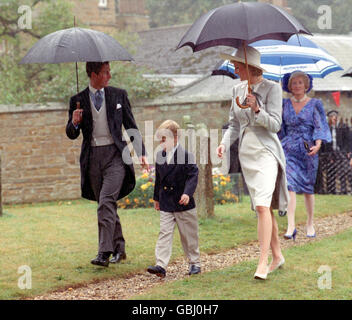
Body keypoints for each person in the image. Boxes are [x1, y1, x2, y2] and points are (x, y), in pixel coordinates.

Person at [66, 61, 149, 267]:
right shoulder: (77, 101)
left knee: (105, 202)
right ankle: (119, 248)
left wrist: (142, 154)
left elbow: (131, 125)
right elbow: (71, 134)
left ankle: (104, 252)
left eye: (109, 72)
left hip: (115, 156)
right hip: (92, 158)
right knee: (106, 203)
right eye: (105, 73)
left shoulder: (118, 95)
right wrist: (75, 122)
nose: (109, 76)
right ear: (93, 74)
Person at [217, 46, 289, 280]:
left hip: (267, 151)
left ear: (250, 66)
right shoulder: (237, 89)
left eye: (238, 65)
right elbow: (234, 124)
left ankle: (262, 261)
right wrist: (224, 144)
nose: (235, 68)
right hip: (247, 154)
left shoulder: (272, 89)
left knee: (261, 206)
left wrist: (257, 108)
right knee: (264, 206)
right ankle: (278, 255)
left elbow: (276, 125)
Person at [278, 71, 331, 239]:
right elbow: (280, 127)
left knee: (308, 188)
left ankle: (310, 223)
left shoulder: (315, 103)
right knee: (289, 184)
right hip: (289, 148)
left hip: (308, 148)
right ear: (289, 86)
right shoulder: (284, 104)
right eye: (294, 83)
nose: (297, 86)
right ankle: (291, 225)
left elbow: (319, 125)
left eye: (300, 82)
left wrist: (318, 144)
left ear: (306, 85)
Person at [147, 120, 200, 278]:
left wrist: (187, 193)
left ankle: (194, 263)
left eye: (165, 139)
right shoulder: (160, 155)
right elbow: (159, 178)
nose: (162, 143)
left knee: (188, 235)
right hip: (166, 202)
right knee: (164, 232)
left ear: (175, 138)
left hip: (183, 203)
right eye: (161, 139)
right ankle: (161, 265)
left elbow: (193, 176)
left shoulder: (186, 155)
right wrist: (156, 198)